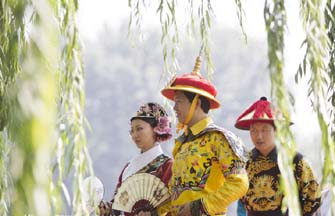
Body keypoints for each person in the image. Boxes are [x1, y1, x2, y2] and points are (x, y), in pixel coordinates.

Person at [160, 56, 249, 215]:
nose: (174, 108)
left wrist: (199, 206)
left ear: (197, 104)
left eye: (179, 101)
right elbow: (175, 191)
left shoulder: (218, 138)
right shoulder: (182, 143)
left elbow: (239, 183)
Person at [234, 96, 321, 216]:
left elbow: (313, 198)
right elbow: (239, 199)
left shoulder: (296, 161)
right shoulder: (243, 162)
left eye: (264, 130)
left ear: (276, 131)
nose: (259, 136)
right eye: (253, 130)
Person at [99, 102, 173, 216]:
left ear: (156, 129)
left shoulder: (168, 166)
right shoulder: (128, 168)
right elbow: (117, 208)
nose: (134, 135)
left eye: (139, 129)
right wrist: (107, 210)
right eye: (132, 131)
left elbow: (174, 206)